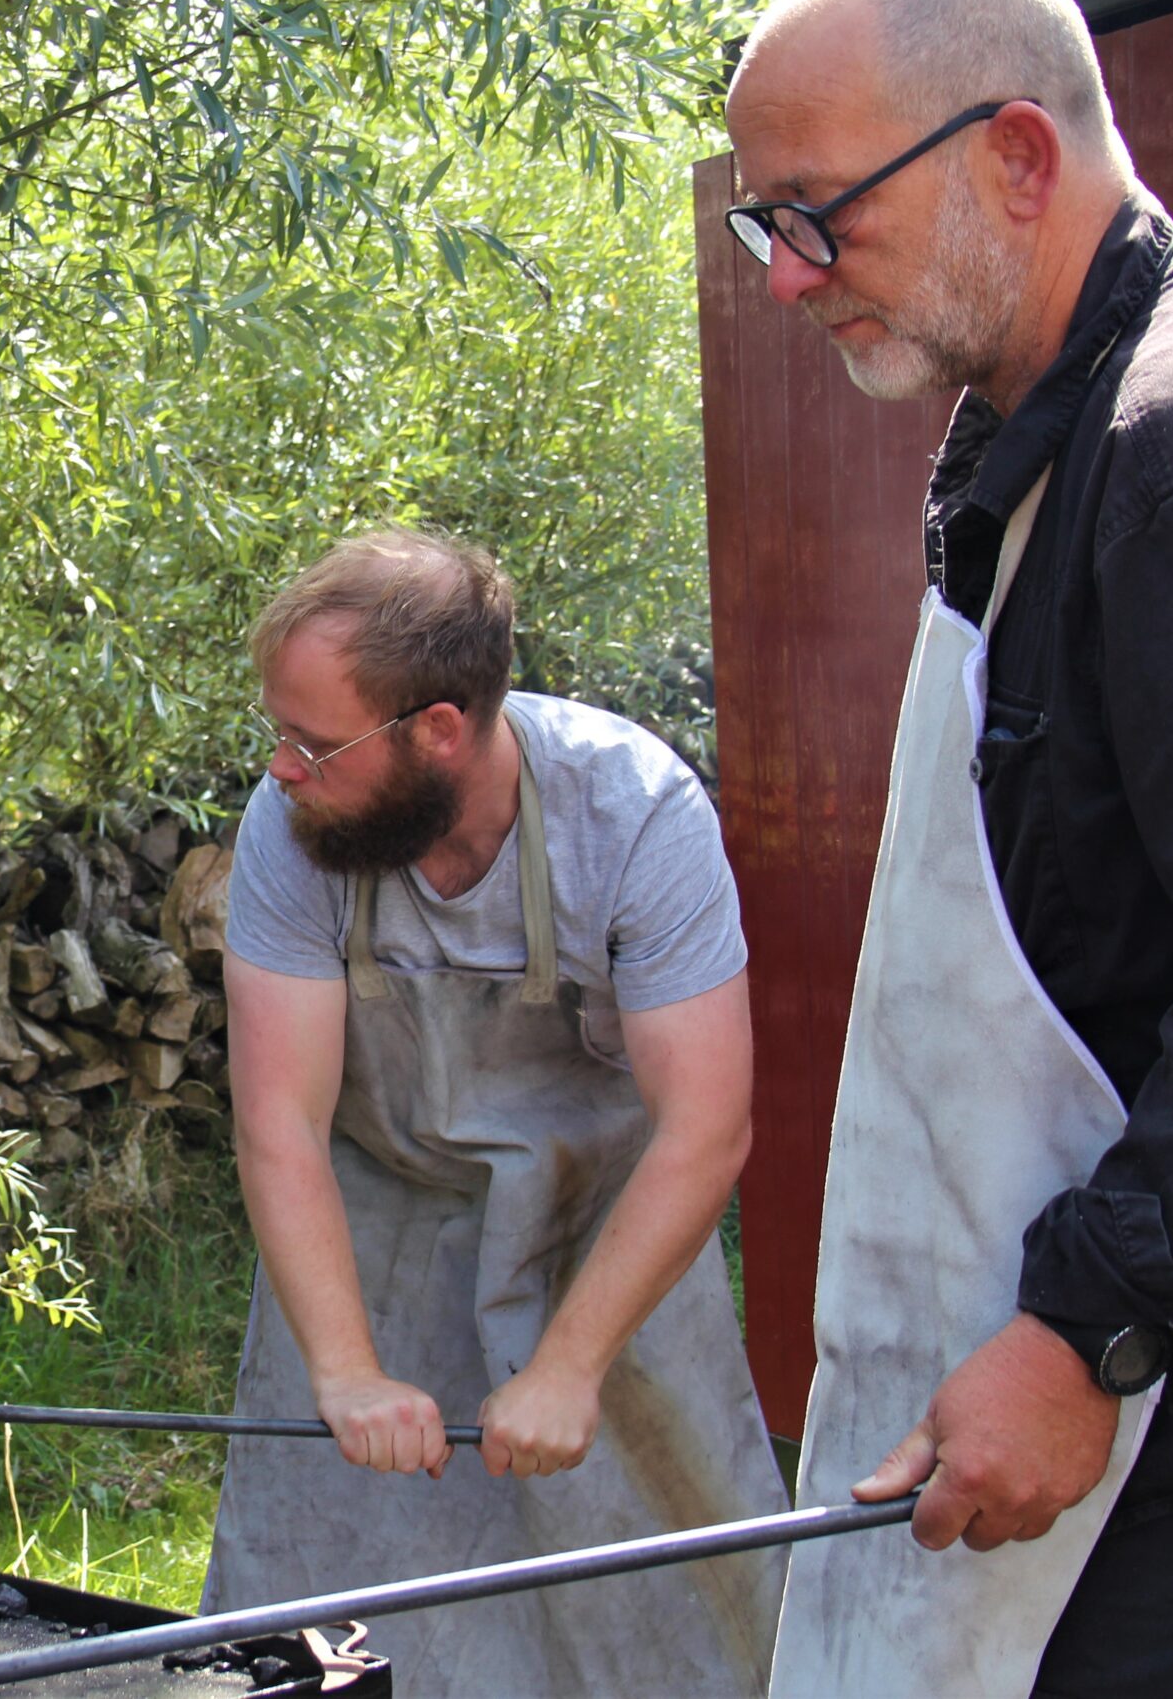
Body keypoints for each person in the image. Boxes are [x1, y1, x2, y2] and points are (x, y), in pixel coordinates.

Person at [722, 0, 1173, 1692]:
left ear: (1015, 158)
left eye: (817, 214)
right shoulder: (1062, 435)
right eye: (763, 224)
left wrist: (1097, 1322)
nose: (787, 278)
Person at [199, 530, 785, 1696]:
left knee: (660, 1604)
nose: (281, 769)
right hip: (376, 1220)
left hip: (600, 1224)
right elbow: (279, 1123)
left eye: (314, 742)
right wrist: (345, 1372)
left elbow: (704, 1130)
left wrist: (569, 1365)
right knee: (329, 1596)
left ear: (438, 729)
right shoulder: (297, 827)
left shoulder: (634, 814)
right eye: (280, 734)